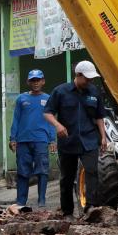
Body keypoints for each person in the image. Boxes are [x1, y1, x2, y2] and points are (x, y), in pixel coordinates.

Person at [44, 60, 109, 216]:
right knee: (67, 177)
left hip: (89, 139)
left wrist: (103, 136)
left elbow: (100, 116)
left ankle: (91, 206)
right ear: (78, 75)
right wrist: (57, 125)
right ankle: (67, 212)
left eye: (91, 79)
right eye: (86, 78)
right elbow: (47, 112)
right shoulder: (60, 92)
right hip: (68, 141)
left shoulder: (94, 92)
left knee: (92, 171)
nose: (89, 82)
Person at [8, 69, 56, 207]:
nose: (35, 83)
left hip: (41, 140)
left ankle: (41, 200)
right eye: (33, 80)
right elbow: (16, 119)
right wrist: (13, 138)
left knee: (42, 170)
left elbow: (51, 120)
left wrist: (52, 140)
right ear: (28, 82)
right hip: (23, 140)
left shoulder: (48, 99)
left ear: (43, 81)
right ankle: (21, 201)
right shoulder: (21, 99)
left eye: (38, 80)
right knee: (23, 171)